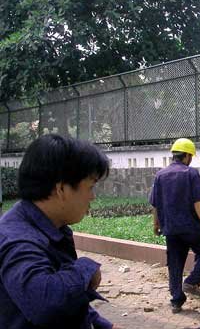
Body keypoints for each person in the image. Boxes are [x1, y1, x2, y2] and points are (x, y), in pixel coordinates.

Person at [0, 134, 114, 329]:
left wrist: (100, 323)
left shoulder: (52, 227)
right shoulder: (18, 240)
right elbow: (44, 304)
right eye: (91, 186)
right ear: (61, 189)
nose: (93, 197)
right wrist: (85, 268)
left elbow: (68, 302)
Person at [149, 138, 200, 313]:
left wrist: (156, 224)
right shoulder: (190, 173)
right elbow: (198, 201)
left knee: (175, 263)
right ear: (186, 156)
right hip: (190, 227)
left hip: (170, 229)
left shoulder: (160, 175)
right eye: (191, 156)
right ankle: (192, 282)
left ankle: (176, 301)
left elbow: (155, 204)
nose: (191, 159)